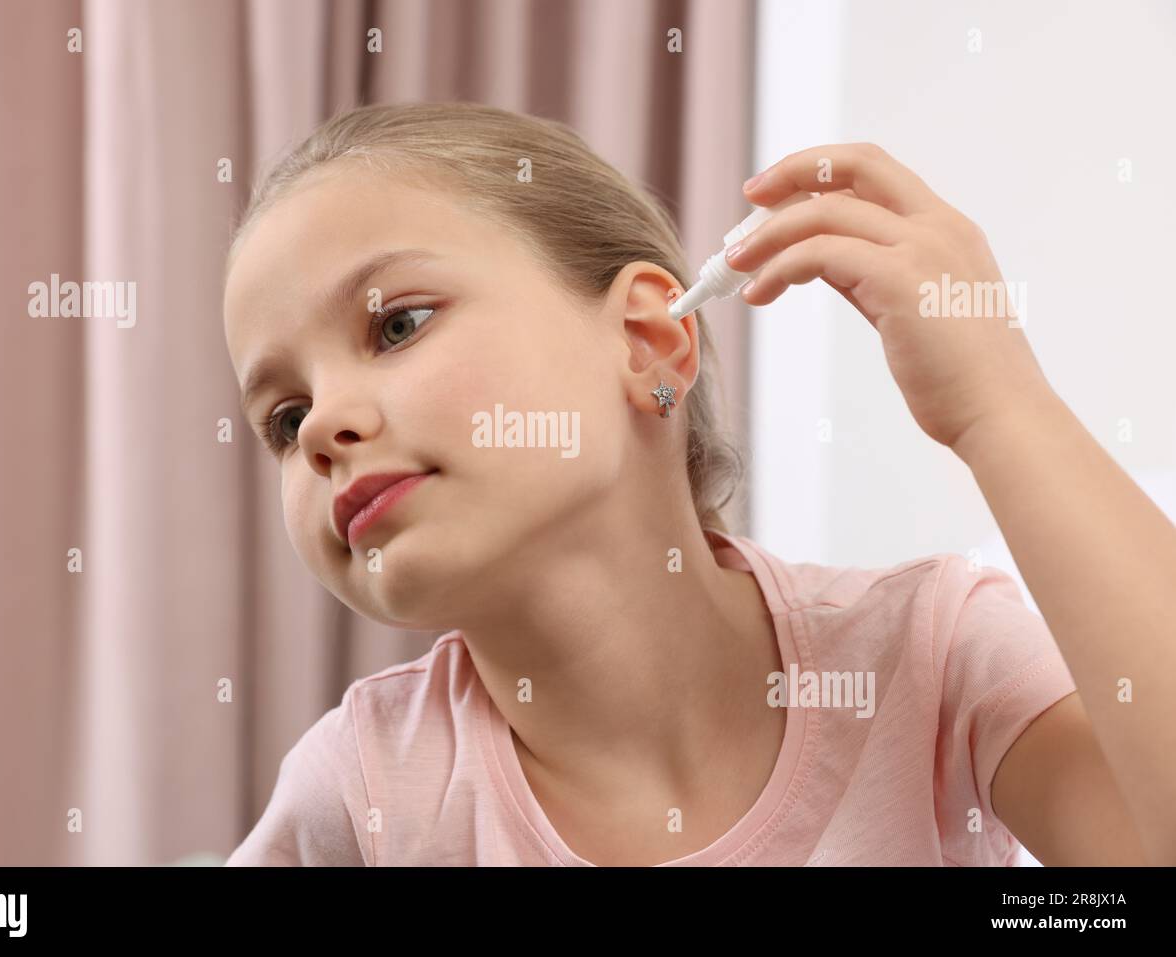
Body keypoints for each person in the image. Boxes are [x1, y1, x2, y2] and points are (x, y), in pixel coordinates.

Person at [221, 102, 1169, 866]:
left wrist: (998, 406)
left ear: (645, 342)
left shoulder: (935, 662)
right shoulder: (359, 795)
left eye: (396, 327)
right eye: (284, 417)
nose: (324, 429)